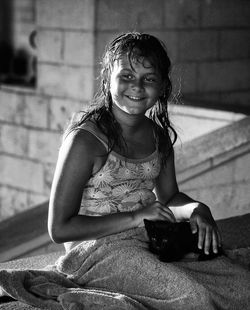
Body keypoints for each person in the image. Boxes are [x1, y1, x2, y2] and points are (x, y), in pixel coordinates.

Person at [48, 32, 250, 309]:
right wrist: (136, 216)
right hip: (94, 252)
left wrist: (197, 209)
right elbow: (59, 229)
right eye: (127, 76)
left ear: (163, 86)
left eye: (149, 78)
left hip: (151, 235)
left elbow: (169, 197)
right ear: (108, 79)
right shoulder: (85, 141)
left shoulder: (158, 137)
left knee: (241, 286)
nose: (137, 86)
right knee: (191, 297)